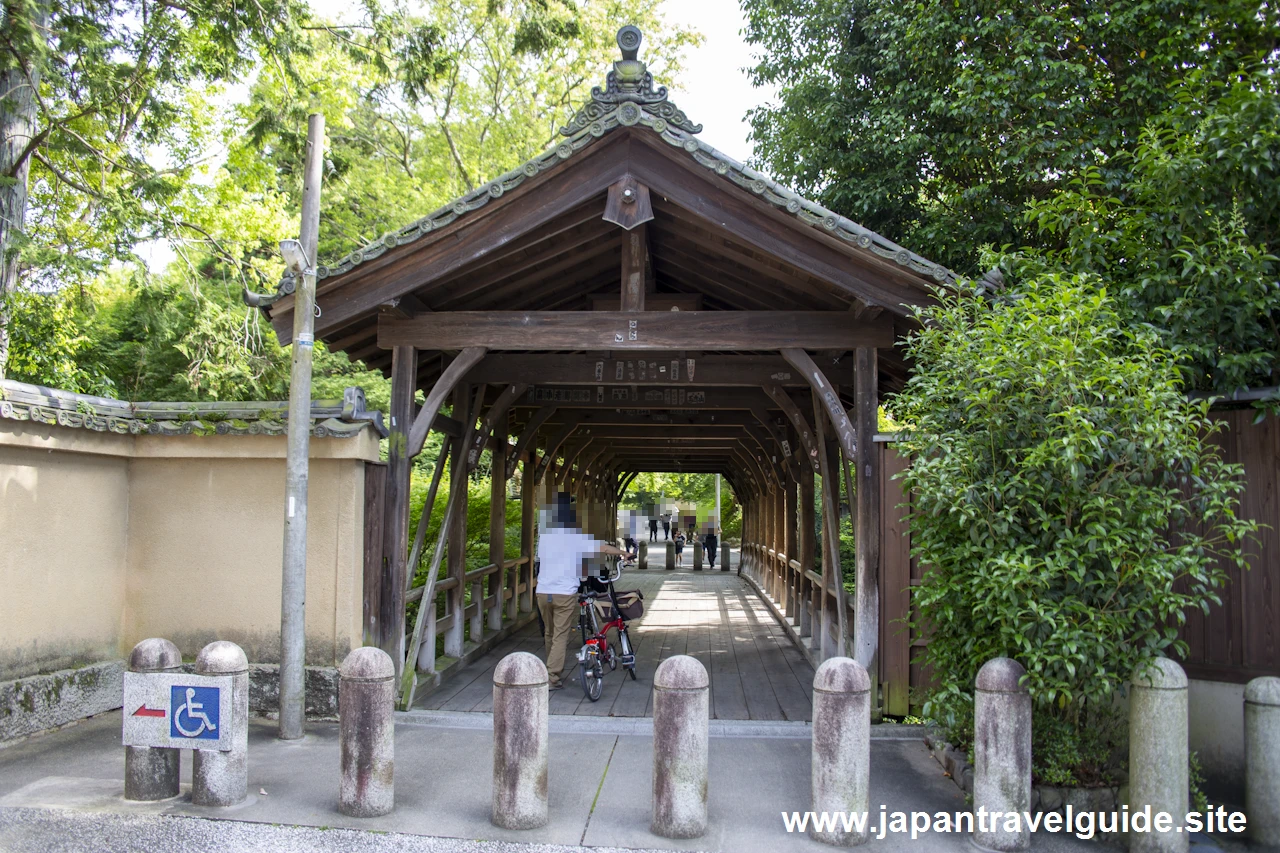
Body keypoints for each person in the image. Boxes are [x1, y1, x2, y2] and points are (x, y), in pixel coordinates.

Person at [537, 493, 631, 690]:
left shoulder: (544, 535)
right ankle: (552, 677)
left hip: (543, 591)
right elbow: (603, 548)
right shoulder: (574, 536)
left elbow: (542, 559)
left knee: (549, 632)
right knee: (560, 635)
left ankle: (549, 668)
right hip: (564, 592)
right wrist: (624, 553)